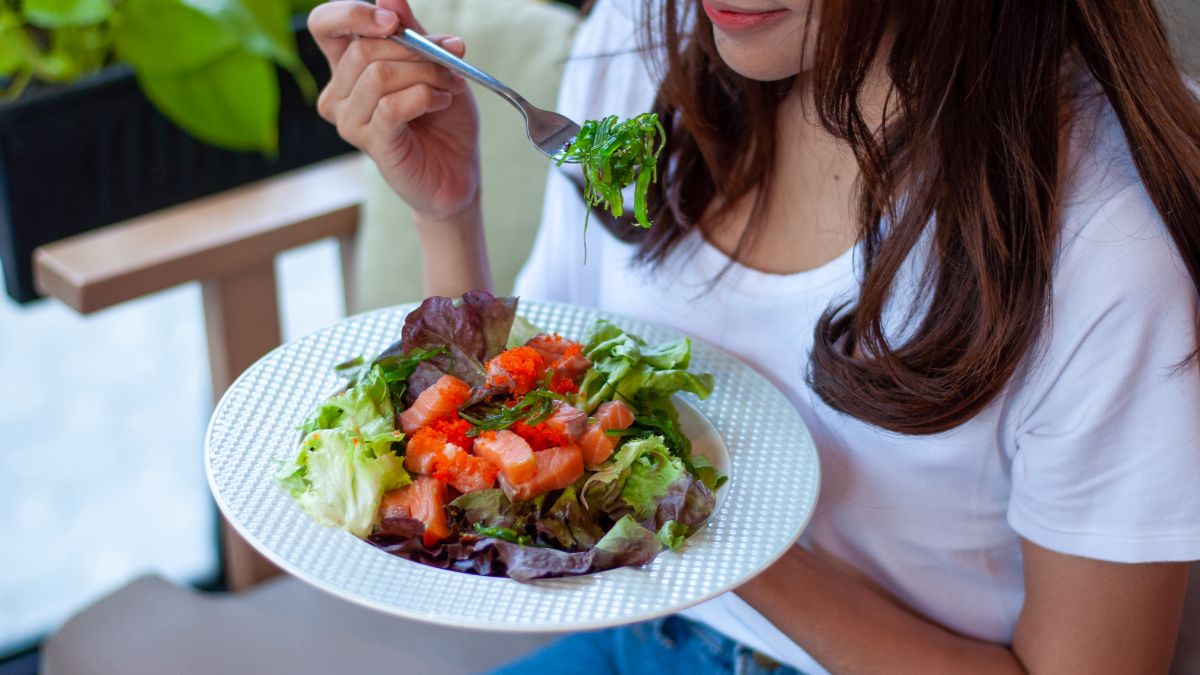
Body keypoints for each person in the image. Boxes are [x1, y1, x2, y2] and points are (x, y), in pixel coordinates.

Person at [307, 0, 1200, 672]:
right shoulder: (637, 42)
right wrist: (447, 215)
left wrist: (707, 526)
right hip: (642, 639)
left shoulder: (1099, 256)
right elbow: (525, 402)